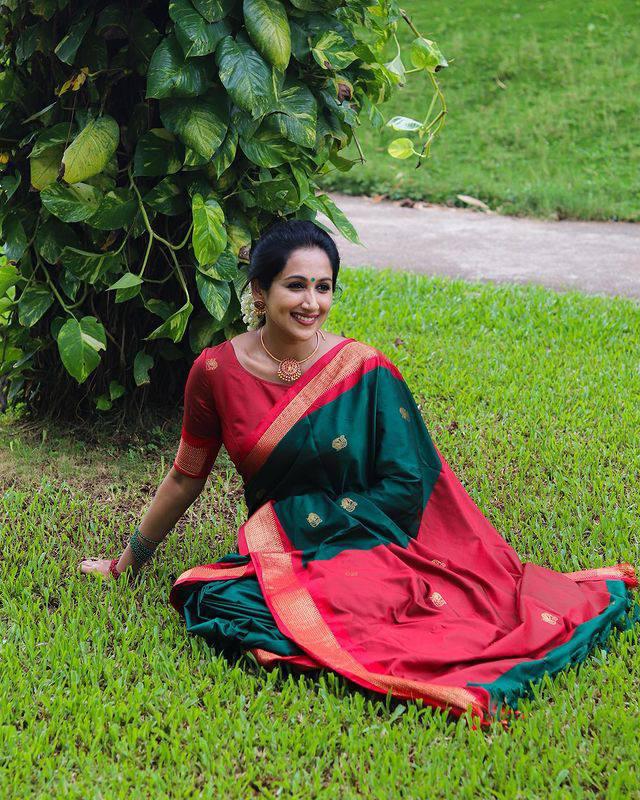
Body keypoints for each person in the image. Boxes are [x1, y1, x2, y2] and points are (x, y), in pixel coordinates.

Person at [80, 219, 638, 726]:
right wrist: (129, 562)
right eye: (295, 285)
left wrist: (312, 522)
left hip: (366, 542)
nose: (311, 303)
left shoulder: (363, 369)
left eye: (323, 287)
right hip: (287, 554)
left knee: (413, 618)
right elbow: (186, 476)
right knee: (212, 600)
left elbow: (407, 485)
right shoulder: (216, 372)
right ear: (259, 292)